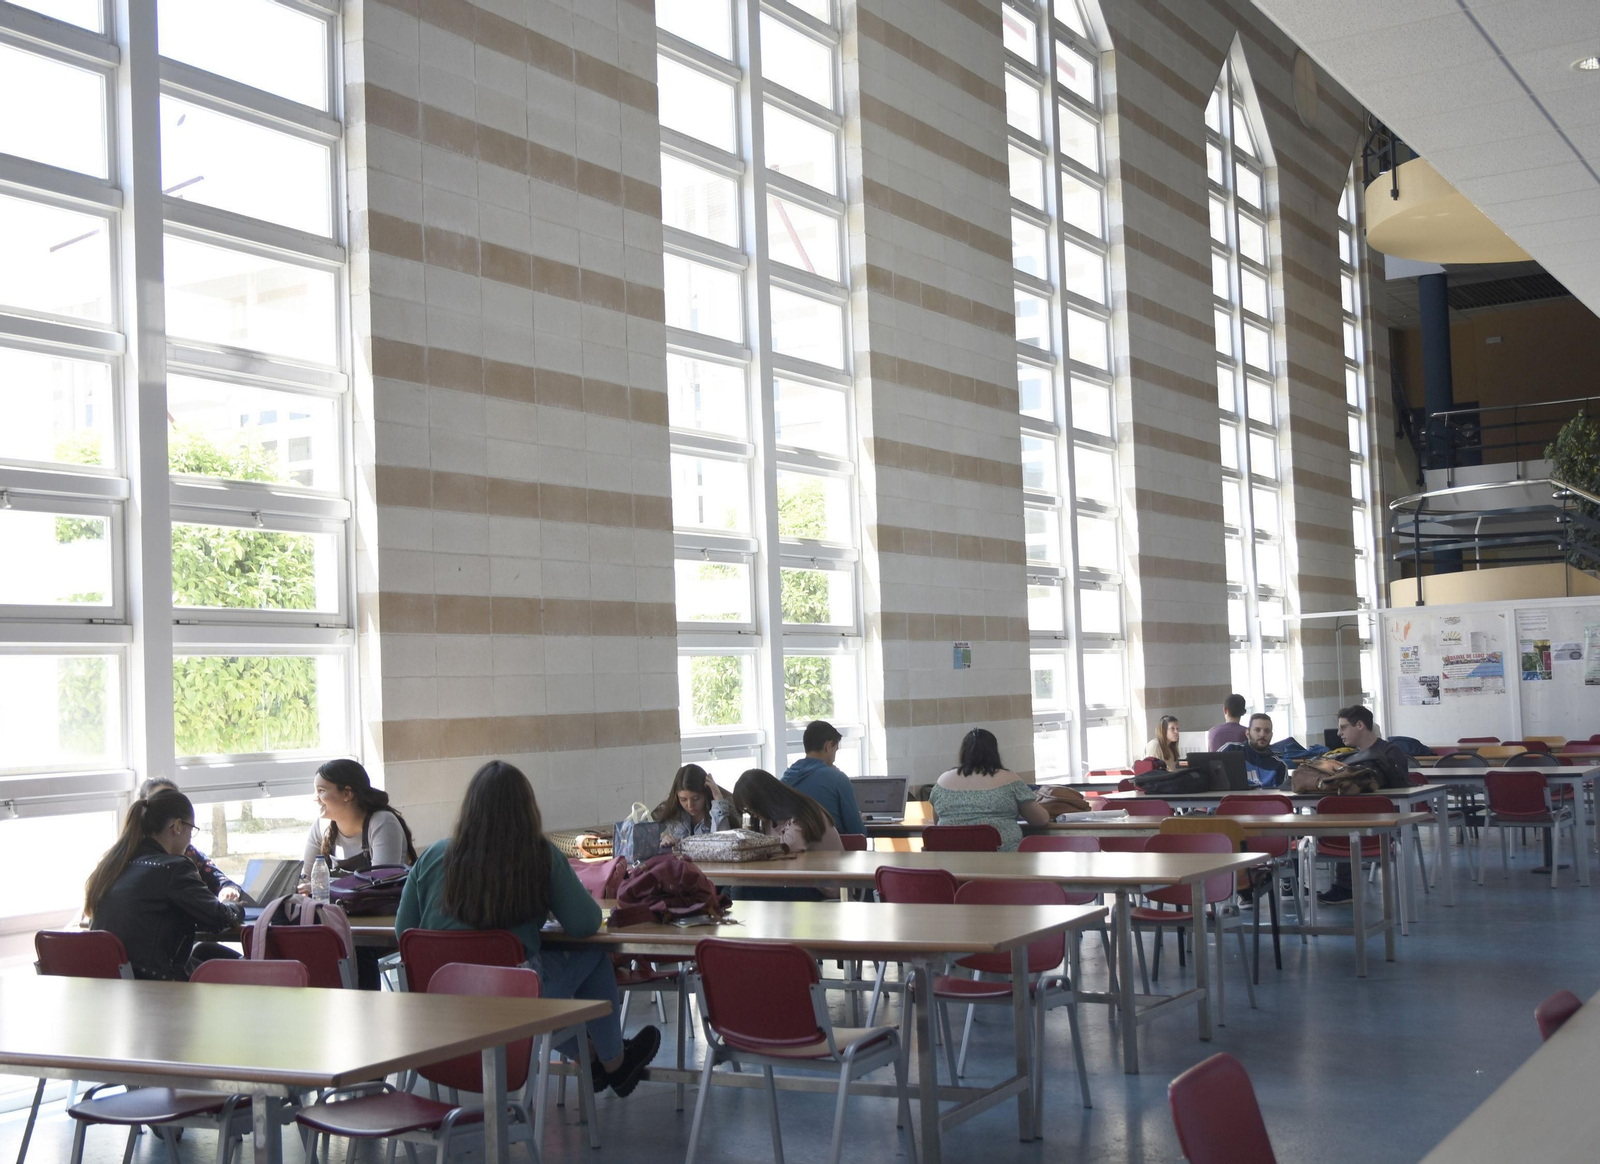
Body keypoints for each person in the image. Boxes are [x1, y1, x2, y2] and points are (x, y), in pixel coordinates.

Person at [395, 760, 660, 1097]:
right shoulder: (539, 856)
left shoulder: (432, 855)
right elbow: (586, 923)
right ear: (526, 809)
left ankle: (592, 1060)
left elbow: (404, 935)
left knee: (543, 987)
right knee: (592, 954)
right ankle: (614, 1062)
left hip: (440, 1006)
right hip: (513, 1004)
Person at [84, 789, 244, 980]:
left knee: (204, 950)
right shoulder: (175, 867)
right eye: (191, 830)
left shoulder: (114, 865)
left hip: (113, 982)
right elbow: (218, 918)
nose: (189, 840)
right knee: (245, 972)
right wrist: (234, 908)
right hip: (154, 988)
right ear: (177, 826)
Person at [1318, 705, 1412, 905]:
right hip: (1355, 818)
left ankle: (1344, 887)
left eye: (1343, 727)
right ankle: (1342, 887)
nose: (1339, 733)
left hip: (1384, 821)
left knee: (1344, 823)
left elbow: (1398, 791)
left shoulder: (1390, 752)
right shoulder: (1350, 757)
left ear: (1360, 725)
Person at [929, 729, 1050, 852]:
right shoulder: (1010, 780)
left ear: (963, 753)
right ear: (994, 752)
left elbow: (937, 823)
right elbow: (1040, 820)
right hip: (1003, 863)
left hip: (951, 863)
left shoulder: (942, 782)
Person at [301, 758, 418, 877]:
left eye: (321, 790)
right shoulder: (321, 825)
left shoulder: (382, 822)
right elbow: (307, 877)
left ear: (347, 793)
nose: (315, 798)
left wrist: (327, 887)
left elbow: (380, 883)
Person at [138, 777, 241, 902]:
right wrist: (232, 909)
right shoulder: (174, 866)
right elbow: (219, 915)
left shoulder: (189, 853)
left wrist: (228, 890)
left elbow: (221, 880)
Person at [781, 720, 865, 836]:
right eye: (835, 750)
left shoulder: (786, 778)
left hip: (795, 850)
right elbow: (857, 831)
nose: (834, 758)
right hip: (834, 851)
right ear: (828, 746)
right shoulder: (838, 779)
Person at [652, 764, 732, 843]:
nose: (690, 805)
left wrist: (718, 799)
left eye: (696, 799)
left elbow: (723, 843)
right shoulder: (672, 816)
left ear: (705, 794)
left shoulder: (716, 813)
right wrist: (663, 844)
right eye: (683, 799)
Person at [1237, 714, 1288, 788]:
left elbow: (1281, 796)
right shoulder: (1231, 750)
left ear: (1271, 735)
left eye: (1267, 731)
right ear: (1247, 733)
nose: (1262, 735)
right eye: (1257, 730)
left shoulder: (1279, 765)